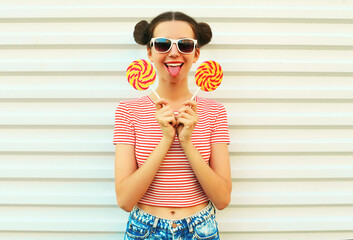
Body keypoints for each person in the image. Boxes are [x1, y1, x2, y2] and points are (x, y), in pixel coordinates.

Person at [113, 11, 231, 240]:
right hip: (143, 230)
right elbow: (125, 200)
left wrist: (186, 141)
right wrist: (166, 138)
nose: (174, 52)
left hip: (201, 230)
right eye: (162, 44)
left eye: (185, 45)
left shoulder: (215, 112)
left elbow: (222, 199)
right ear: (149, 51)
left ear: (196, 53)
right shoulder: (128, 111)